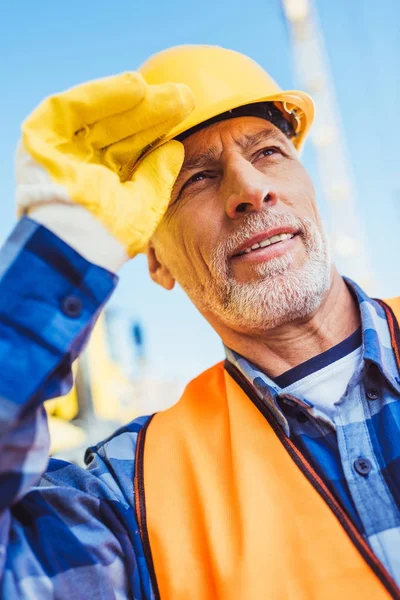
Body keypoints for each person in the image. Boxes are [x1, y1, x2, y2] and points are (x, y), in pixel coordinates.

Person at [1, 44, 400, 599]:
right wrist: (56, 261)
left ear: (307, 188)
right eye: (196, 179)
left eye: (267, 153)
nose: (250, 191)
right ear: (157, 260)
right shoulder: (131, 490)